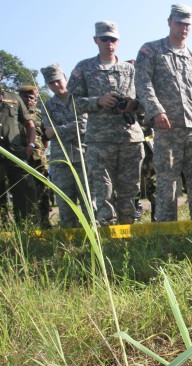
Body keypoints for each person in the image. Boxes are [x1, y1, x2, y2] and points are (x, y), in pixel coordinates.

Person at [135, 4, 192, 222]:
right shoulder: (151, 51)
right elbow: (143, 83)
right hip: (167, 128)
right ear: (170, 22)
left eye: (187, 24)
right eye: (180, 23)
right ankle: (166, 231)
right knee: (167, 181)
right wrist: (156, 110)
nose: (184, 28)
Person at [68, 21, 144, 226]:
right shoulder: (83, 68)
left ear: (118, 41)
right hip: (99, 141)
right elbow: (71, 102)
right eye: (104, 39)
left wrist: (133, 104)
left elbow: (146, 99)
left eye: (113, 39)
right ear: (96, 40)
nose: (109, 43)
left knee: (130, 189)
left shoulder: (131, 69)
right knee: (103, 190)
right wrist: (97, 101)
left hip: (130, 138)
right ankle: (108, 236)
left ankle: (128, 233)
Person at [41, 63, 89, 228]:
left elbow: (83, 125)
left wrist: (57, 130)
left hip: (83, 156)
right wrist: (69, 127)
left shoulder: (79, 99)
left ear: (65, 78)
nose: (55, 85)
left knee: (89, 203)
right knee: (65, 203)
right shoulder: (47, 105)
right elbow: (47, 132)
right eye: (50, 83)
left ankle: (94, 241)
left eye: (57, 80)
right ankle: (70, 243)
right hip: (61, 160)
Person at [0, 58, 38, 223]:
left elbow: (30, 124)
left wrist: (31, 144)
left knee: (25, 192)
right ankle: (0, 233)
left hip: (16, 155)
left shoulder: (13, 98)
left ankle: (28, 229)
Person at [18, 85, 51, 227]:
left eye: (32, 97)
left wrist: (39, 150)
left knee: (42, 190)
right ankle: (23, 222)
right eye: (25, 97)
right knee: (21, 190)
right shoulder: (13, 112)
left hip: (38, 158)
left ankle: (44, 222)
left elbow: (46, 138)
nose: (29, 100)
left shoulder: (40, 114)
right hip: (18, 156)